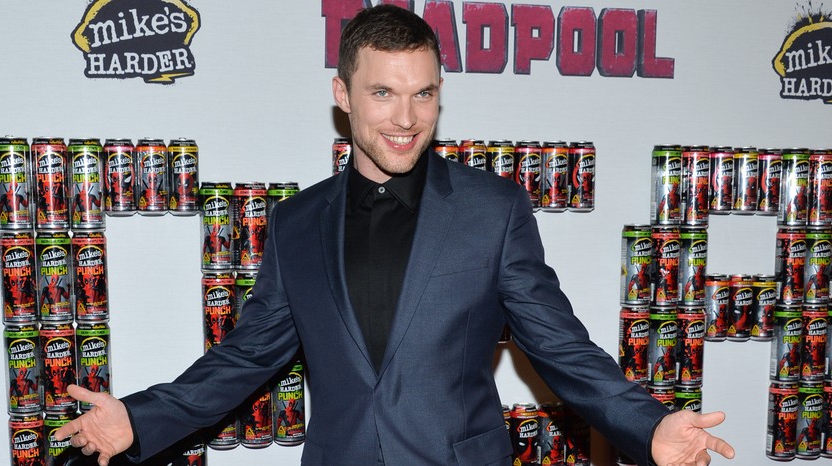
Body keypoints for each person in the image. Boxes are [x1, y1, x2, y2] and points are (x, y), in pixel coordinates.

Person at [56, 5, 735, 465]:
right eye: (382, 93)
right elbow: (246, 357)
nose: (406, 117)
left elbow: (559, 348)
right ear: (342, 95)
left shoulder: (491, 210)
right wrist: (139, 420)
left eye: (424, 93)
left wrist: (648, 427)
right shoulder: (297, 224)